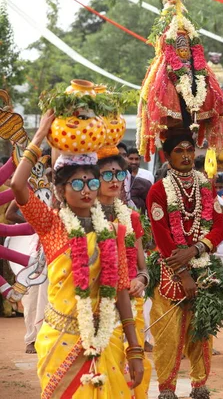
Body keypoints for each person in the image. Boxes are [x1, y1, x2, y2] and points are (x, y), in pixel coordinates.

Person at [11, 111, 143, 397]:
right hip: (61, 341)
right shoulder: (52, 225)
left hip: (104, 339)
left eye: (92, 183)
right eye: (78, 183)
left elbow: (120, 290)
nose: (87, 190)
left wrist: (134, 348)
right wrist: (38, 137)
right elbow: (17, 187)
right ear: (60, 189)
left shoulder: (113, 230)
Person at [146, 129, 223, 399]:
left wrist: (195, 248)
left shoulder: (205, 186)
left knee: (201, 330)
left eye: (189, 150)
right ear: (167, 157)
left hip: (203, 266)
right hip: (171, 271)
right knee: (169, 333)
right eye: (179, 151)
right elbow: (162, 236)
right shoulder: (158, 191)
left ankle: (199, 384)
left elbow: (217, 229)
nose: (185, 156)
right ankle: (167, 389)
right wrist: (182, 273)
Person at [97, 149, 153, 397]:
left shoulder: (131, 217)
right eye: (106, 174)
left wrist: (141, 279)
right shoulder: (83, 218)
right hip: (97, 305)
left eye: (119, 174)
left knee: (133, 369)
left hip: (131, 302)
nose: (114, 180)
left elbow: (143, 267)